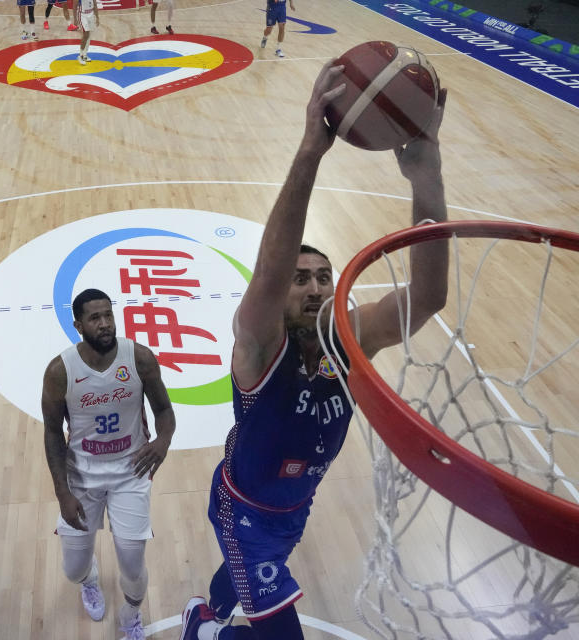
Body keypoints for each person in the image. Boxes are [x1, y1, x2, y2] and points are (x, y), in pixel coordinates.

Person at [178, 62, 449, 640]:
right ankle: (213, 632)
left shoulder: (345, 340)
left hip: (291, 510)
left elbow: (428, 298)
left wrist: (427, 174)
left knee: (238, 580)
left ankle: (204, 616)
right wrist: (310, 152)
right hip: (243, 509)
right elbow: (269, 273)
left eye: (324, 277)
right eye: (301, 279)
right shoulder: (258, 342)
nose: (315, 287)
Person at [41, 289, 176, 640]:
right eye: (94, 318)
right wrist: (62, 492)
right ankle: (89, 580)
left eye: (108, 315)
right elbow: (53, 433)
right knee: (73, 570)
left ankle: (131, 614)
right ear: (78, 325)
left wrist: (162, 442)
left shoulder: (140, 358)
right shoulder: (60, 370)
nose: (104, 324)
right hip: (82, 476)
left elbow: (164, 410)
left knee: (132, 564)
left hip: (130, 472)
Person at [75, 0, 99, 65]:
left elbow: (95, 4)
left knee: (89, 35)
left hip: (91, 14)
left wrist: (97, 17)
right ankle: (80, 56)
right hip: (82, 15)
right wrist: (75, 19)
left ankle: (85, 55)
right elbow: (75, 5)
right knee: (86, 34)